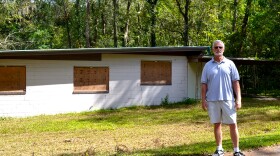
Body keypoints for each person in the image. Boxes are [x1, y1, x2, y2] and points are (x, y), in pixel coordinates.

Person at [201, 40, 245, 156]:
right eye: (216, 47)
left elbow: (236, 83)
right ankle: (219, 149)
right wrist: (203, 100)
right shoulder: (207, 66)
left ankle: (236, 150)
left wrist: (238, 99)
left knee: (233, 124)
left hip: (228, 100)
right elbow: (204, 84)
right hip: (212, 100)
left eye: (220, 47)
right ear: (212, 49)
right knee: (217, 124)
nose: (218, 49)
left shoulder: (230, 64)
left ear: (223, 49)